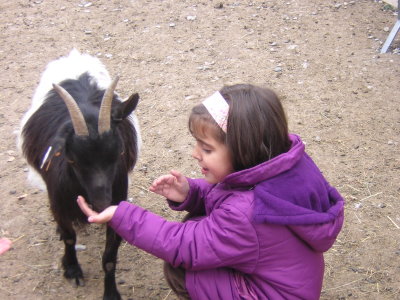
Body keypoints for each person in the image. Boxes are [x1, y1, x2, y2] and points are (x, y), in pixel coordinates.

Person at [77, 84, 344, 300]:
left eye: (206, 149)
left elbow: (185, 245)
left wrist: (121, 214)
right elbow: (236, 195)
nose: (195, 154)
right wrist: (191, 192)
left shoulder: (246, 215)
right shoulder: (284, 168)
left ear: (243, 151)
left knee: (183, 268)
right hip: (292, 283)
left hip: (268, 293)